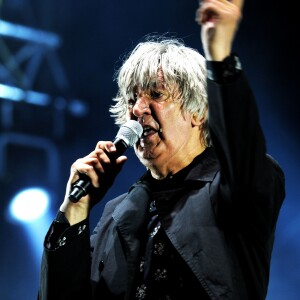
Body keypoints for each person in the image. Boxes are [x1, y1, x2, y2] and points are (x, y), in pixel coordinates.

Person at [38, 0, 285, 299]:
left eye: (156, 94)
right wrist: (76, 209)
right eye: (132, 99)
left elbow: (243, 145)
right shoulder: (117, 214)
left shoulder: (235, 189)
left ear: (199, 112)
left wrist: (220, 61)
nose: (138, 109)